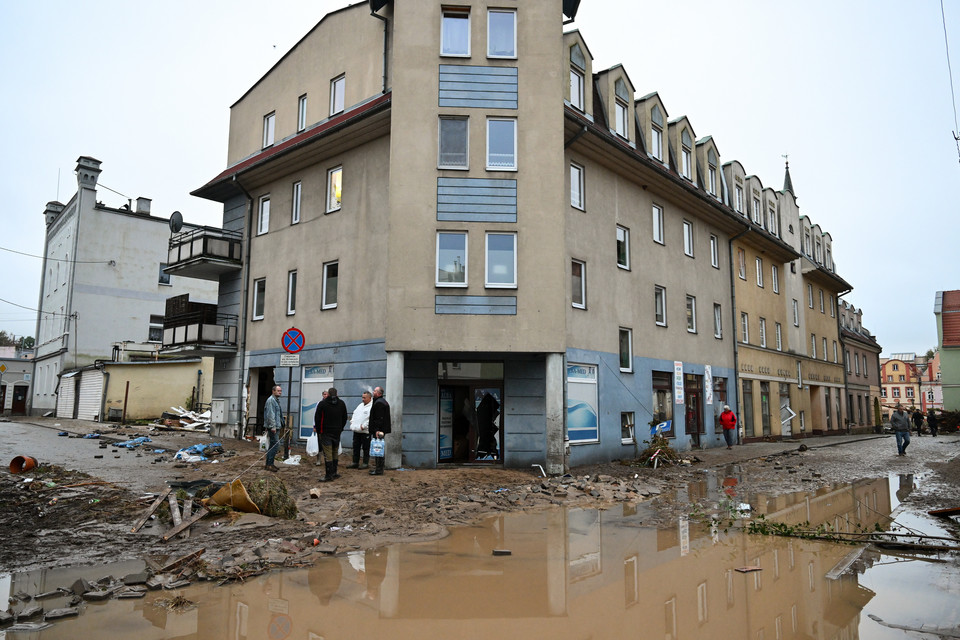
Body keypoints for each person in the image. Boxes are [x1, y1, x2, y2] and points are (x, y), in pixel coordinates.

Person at [315, 387, 348, 482]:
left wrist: (319, 431)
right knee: (335, 452)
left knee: (328, 453)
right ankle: (334, 472)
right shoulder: (341, 404)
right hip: (337, 431)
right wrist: (340, 428)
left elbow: (318, 418)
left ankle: (328, 475)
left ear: (328, 394)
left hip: (325, 432)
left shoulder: (323, 404)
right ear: (336, 394)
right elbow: (344, 417)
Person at [369, 386, 392, 476]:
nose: (373, 392)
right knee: (379, 448)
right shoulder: (382, 402)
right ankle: (379, 469)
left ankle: (379, 469)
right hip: (381, 429)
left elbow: (378, 418)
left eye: (374, 391)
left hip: (379, 430)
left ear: (379, 393)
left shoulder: (379, 403)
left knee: (378, 448)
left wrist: (377, 430)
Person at [347, 391, 373, 469]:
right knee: (356, 447)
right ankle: (355, 462)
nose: (363, 399)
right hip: (356, 431)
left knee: (365, 448)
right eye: (362, 397)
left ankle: (365, 463)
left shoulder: (372, 407)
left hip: (365, 432)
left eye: (364, 398)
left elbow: (371, 419)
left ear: (369, 398)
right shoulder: (360, 406)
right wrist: (352, 423)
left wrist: (364, 426)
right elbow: (354, 414)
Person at [262, 385, 284, 472]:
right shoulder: (271, 401)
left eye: (280, 391)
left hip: (276, 426)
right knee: (275, 446)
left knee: (273, 445)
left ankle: (270, 464)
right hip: (273, 427)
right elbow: (270, 415)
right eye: (278, 391)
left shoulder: (276, 401)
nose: (280, 392)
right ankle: (269, 464)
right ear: (273, 391)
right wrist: (273, 426)